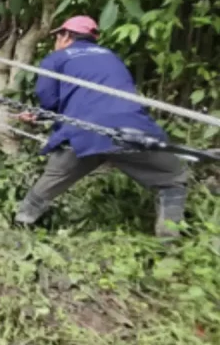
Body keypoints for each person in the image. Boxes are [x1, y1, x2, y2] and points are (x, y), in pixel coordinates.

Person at [15, 15, 188, 238]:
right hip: (131, 129)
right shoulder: (113, 58)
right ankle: (169, 236)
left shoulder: (57, 59)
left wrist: (38, 114)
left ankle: (22, 223)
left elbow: (48, 100)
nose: (56, 41)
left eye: (57, 36)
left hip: (82, 133)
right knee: (172, 177)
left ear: (66, 36)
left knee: (53, 177)